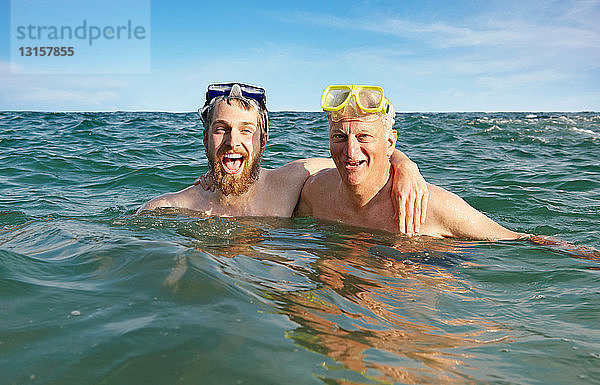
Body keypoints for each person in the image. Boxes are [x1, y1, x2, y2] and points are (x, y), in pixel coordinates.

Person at [138, 83, 428, 234]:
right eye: (221, 130)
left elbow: (352, 158)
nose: (232, 141)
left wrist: (404, 165)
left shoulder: (291, 180)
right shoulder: (167, 208)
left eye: (245, 130)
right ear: (206, 139)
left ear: (263, 142)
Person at [295, 85, 527, 240]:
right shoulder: (316, 192)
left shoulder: (434, 206)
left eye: (364, 136)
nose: (351, 151)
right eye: (339, 137)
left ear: (389, 142)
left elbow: (517, 240)